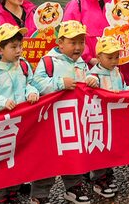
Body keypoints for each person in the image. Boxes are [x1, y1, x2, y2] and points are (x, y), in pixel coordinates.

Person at [30, 20, 97, 204]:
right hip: (51, 120)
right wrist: (60, 83)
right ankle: (40, 194)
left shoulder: (81, 62)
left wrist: (91, 79)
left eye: (81, 42)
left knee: (74, 153)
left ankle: (73, 187)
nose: (78, 47)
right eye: (73, 42)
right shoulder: (48, 61)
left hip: (74, 119)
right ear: (60, 43)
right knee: (48, 156)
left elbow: (84, 83)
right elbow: (37, 83)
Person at [0, 24, 40, 204]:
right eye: (13, 47)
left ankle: (14, 189)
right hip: (0, 124)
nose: (18, 51)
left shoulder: (23, 65)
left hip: (21, 121)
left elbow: (30, 83)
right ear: (0, 49)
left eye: (20, 46)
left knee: (19, 156)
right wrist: (1, 102)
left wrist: (32, 92)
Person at [88, 36, 129, 198]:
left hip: (115, 118)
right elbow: (87, 84)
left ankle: (108, 173)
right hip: (100, 120)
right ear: (99, 57)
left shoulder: (117, 72)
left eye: (117, 57)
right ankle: (99, 179)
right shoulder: (94, 75)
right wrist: (90, 80)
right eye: (110, 57)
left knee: (111, 147)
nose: (114, 61)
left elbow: (123, 87)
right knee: (100, 148)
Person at [63, 0, 112, 67]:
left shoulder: (112, 3)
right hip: (85, 65)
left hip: (110, 62)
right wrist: (89, 58)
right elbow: (68, 36)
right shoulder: (76, 5)